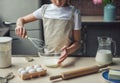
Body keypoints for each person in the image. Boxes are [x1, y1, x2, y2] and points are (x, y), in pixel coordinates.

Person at [15, 0, 82, 64]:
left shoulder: (74, 13)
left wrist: (68, 51)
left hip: (67, 58)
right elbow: (21, 19)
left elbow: (77, 42)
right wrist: (19, 25)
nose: (58, 2)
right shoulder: (44, 10)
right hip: (48, 57)